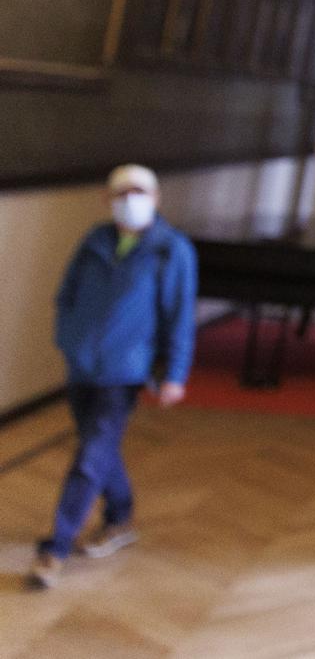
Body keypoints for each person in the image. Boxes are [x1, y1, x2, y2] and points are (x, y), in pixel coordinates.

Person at [26, 164, 197, 590]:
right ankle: (120, 519)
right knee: (98, 449)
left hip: (124, 372)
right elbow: (67, 293)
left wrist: (175, 372)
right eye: (122, 193)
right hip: (82, 364)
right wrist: (68, 338)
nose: (130, 200)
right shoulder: (94, 240)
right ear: (108, 200)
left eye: (140, 192)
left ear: (156, 199)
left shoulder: (170, 249)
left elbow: (180, 317)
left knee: (89, 458)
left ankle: (56, 548)